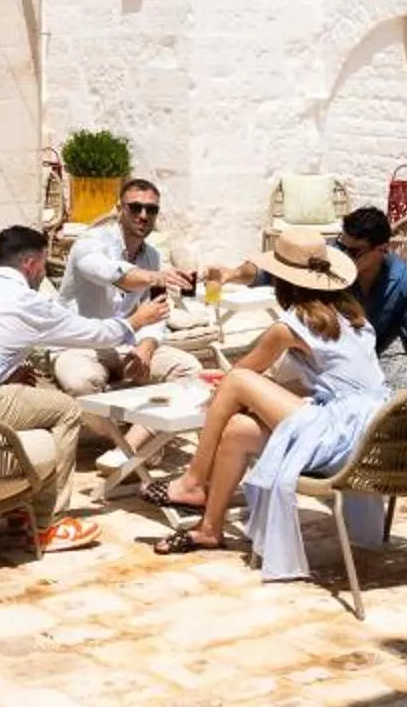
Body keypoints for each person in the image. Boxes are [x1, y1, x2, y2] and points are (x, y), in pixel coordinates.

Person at [0, 224, 173, 552]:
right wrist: (138, 320)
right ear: (31, 264)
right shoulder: (27, 302)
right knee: (66, 409)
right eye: (43, 264)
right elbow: (96, 334)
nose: (43, 273)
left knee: (30, 395)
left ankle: (17, 503)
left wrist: (3, 375)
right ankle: (48, 523)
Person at [149, 228, 390, 572]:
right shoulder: (351, 316)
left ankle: (192, 482)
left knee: (236, 381)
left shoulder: (291, 325)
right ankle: (209, 529)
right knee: (237, 430)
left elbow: (241, 374)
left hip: (340, 435)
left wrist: (222, 393)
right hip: (371, 428)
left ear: (282, 281)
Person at [51, 177, 202, 396]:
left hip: (126, 344)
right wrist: (153, 277)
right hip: (81, 345)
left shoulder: (152, 256)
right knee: (81, 382)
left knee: (189, 369)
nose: (143, 215)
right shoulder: (90, 243)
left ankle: (147, 418)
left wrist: (146, 347)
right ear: (119, 209)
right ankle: (109, 419)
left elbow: (156, 313)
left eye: (151, 210)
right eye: (135, 208)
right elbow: (107, 272)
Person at [340, 205, 407, 389]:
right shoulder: (334, 263)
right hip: (347, 342)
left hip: (386, 338)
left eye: (355, 252)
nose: (345, 256)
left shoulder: (404, 280)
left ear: (382, 249)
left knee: (393, 387)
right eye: (342, 247)